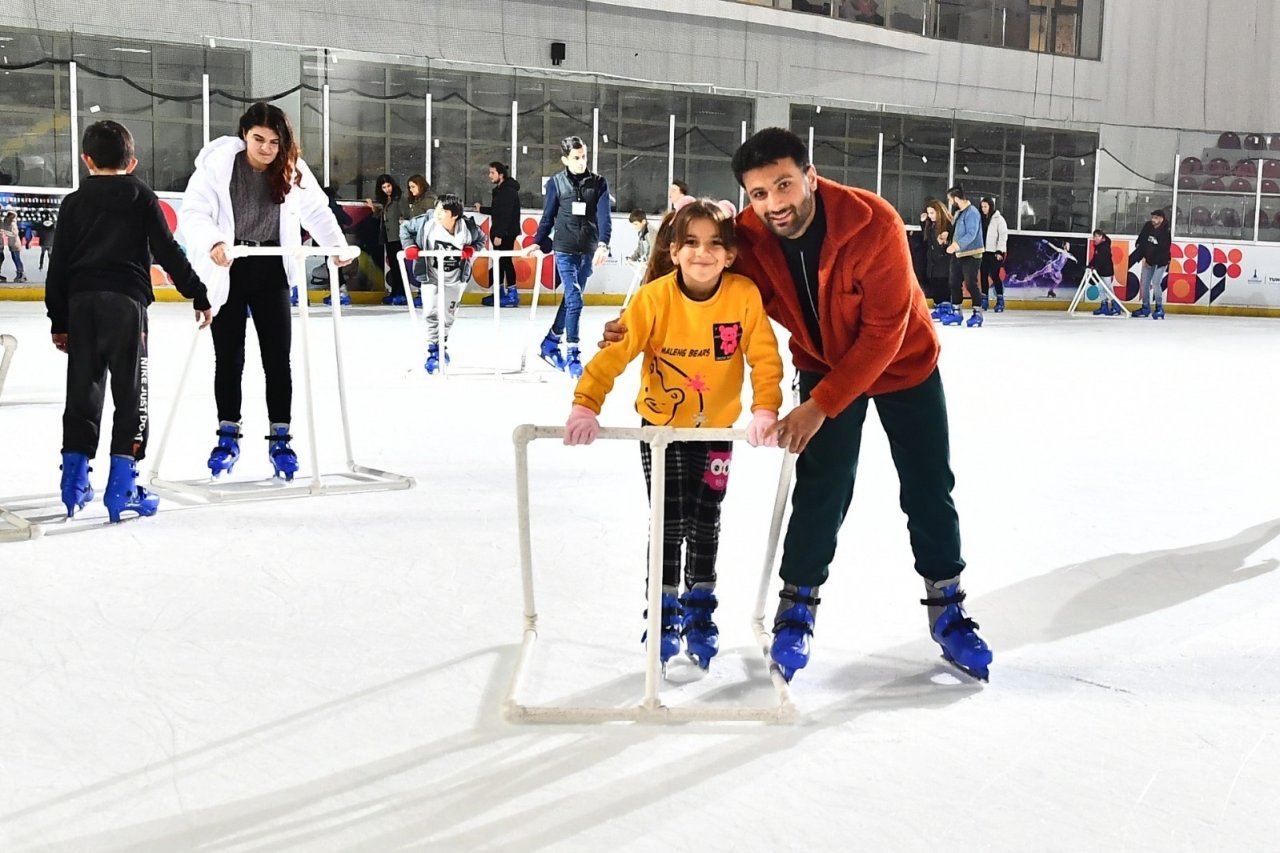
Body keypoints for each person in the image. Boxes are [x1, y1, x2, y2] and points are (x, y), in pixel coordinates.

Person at [602, 128, 992, 683]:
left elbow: (884, 333)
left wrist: (818, 406)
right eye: (759, 194)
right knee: (822, 488)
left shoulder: (872, 222)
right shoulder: (753, 237)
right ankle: (797, 610)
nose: (775, 204)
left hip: (905, 364)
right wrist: (635, 317)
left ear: (810, 176)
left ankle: (948, 609)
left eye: (784, 185)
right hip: (821, 360)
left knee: (928, 484)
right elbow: (693, 266)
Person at [565, 198, 784, 669]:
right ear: (673, 249)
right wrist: (586, 403)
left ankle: (700, 610)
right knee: (667, 518)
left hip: (717, 431)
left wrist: (765, 408)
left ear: (728, 254)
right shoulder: (654, 298)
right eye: (690, 243)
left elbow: (764, 356)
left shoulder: (743, 295)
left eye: (713, 244)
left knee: (706, 519)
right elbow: (614, 356)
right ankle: (663, 610)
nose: (701, 253)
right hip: (661, 429)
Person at [45, 120, 212, 522]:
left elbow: (59, 264)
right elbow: (167, 251)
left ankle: (74, 480)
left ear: (86, 160)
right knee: (131, 391)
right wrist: (197, 291)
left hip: (82, 303)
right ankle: (122, 486)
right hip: (125, 304)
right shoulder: (141, 196)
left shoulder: (72, 203)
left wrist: (59, 320)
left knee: (82, 390)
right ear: (132, 161)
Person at [181, 101, 351, 481]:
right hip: (230, 266)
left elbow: (318, 211)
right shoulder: (218, 165)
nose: (266, 148)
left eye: (274, 141)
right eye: (259, 139)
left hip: (272, 270)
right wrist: (213, 244)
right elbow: (194, 213)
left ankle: (281, 437)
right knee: (229, 358)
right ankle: (227, 435)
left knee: (278, 360)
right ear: (245, 135)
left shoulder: (291, 168)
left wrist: (335, 247)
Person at [525, 135, 612, 379]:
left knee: (571, 300)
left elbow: (605, 217)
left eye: (583, 156)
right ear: (565, 159)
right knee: (575, 301)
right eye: (576, 158)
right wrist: (536, 242)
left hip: (588, 250)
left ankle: (550, 342)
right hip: (563, 249)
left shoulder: (599, 183)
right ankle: (573, 352)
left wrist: (603, 244)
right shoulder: (556, 183)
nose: (581, 161)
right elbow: (547, 217)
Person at [400, 193, 487, 374]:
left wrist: (472, 249)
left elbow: (481, 239)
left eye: (442, 211)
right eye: (437, 209)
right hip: (431, 276)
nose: (437, 213)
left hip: (455, 279)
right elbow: (405, 229)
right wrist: (409, 246)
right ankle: (433, 351)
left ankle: (442, 346)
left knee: (448, 316)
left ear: (454, 215)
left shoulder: (468, 229)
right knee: (431, 313)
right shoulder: (426, 223)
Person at [474, 161, 522, 308]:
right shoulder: (501, 190)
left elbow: (506, 214)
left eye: (492, 173)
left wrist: (500, 234)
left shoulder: (507, 191)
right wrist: (482, 209)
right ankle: (500, 291)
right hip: (502, 231)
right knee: (499, 262)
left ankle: (512, 294)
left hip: (506, 232)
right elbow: (497, 210)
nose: (490, 176)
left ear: (500, 175)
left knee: (505, 261)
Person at [944, 184, 985, 327]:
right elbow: (958, 231)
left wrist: (956, 245)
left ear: (956, 198)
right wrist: (948, 238)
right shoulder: (959, 212)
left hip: (972, 254)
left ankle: (977, 313)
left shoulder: (972, 212)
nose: (950, 203)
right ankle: (956, 312)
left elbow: (971, 234)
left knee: (970, 283)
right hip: (958, 253)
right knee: (954, 282)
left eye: (950, 200)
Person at [365, 174, 408, 305]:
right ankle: (395, 291)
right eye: (384, 187)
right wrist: (373, 208)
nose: (387, 189)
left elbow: (405, 214)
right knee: (394, 266)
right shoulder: (384, 200)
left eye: (388, 186)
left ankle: (401, 292)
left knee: (398, 265)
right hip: (388, 236)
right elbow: (383, 216)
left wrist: (403, 220)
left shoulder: (399, 198)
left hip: (398, 236)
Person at [1130, 209, 1171, 319]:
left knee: (1156, 282)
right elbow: (1141, 241)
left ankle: (1159, 308)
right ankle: (1145, 307)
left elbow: (1162, 249)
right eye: (1152, 217)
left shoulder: (1166, 230)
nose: (1153, 220)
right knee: (1145, 283)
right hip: (1148, 258)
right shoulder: (1148, 226)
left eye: (1156, 218)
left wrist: (1149, 261)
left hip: (1161, 260)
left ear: (1162, 219)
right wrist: (1143, 257)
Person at [922, 200, 953, 317]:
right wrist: (923, 222)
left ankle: (945, 308)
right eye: (929, 213)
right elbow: (927, 239)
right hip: (933, 260)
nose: (930, 216)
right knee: (935, 283)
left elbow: (951, 242)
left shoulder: (947, 225)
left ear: (939, 212)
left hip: (943, 261)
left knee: (942, 283)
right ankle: (939, 306)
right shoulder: (931, 225)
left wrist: (944, 242)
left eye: (932, 213)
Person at [979, 197, 1008, 312]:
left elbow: (1003, 236)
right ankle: (984, 299)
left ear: (991, 206)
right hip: (983, 251)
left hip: (995, 252)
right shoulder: (981, 219)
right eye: (982, 207)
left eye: (985, 206)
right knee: (983, 275)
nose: (983, 209)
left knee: (995, 275)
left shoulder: (999, 219)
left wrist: (999, 251)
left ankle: (1000, 300)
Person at [1089, 228, 1120, 316]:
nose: (1095, 238)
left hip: (1106, 271)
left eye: (1097, 236)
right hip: (1100, 271)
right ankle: (1104, 306)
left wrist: (1095, 267)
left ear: (1102, 237)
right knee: (1101, 288)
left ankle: (1116, 306)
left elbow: (1101, 260)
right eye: (1094, 236)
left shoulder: (1104, 247)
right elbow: (1095, 258)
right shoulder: (1098, 246)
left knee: (1108, 289)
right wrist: (1090, 265)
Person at [0, 211, 26, 283]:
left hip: (15, 244)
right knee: (15, 259)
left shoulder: (13, 223)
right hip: (12, 244)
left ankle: (21, 274)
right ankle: (20, 274)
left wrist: (5, 232)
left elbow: (15, 234)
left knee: (17, 259)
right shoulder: (8, 223)